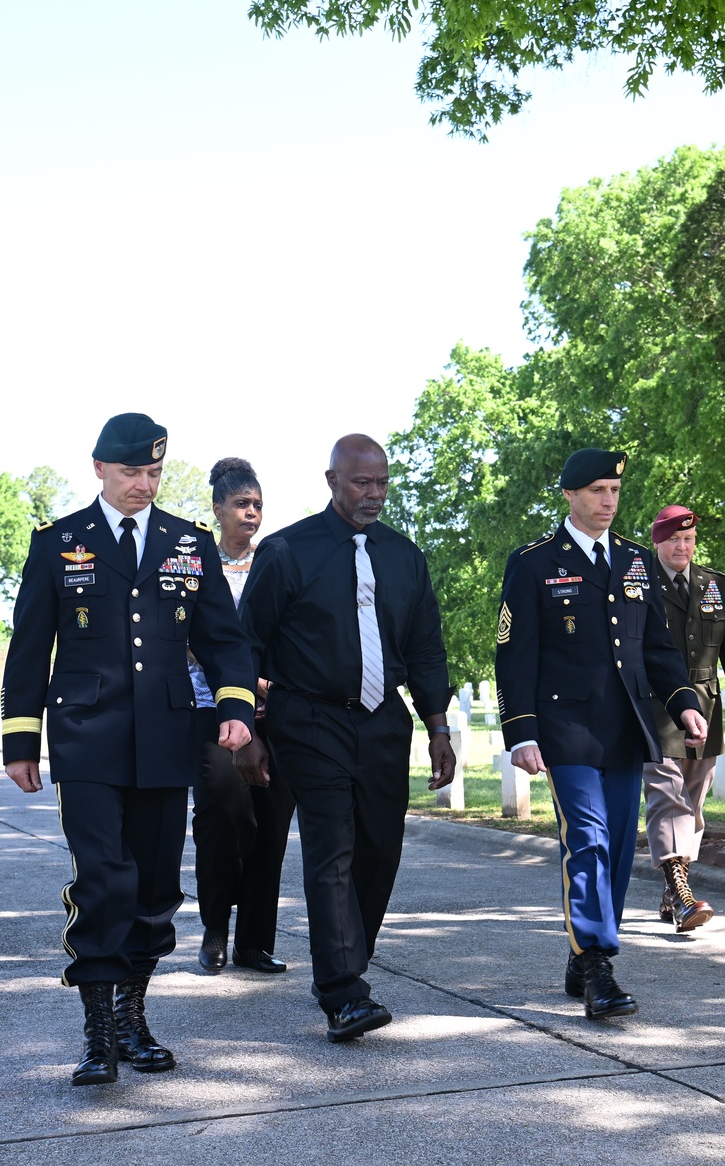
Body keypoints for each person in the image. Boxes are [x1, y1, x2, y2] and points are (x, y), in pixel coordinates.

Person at [1, 413, 256, 1086]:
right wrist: (21, 738)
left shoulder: (187, 542)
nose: (144, 484)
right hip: (87, 741)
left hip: (167, 739)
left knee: (152, 886)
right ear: (98, 469)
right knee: (103, 880)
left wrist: (235, 707)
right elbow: (30, 648)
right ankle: (98, 1030)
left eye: (153, 472)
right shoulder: (59, 543)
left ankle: (132, 1015)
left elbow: (225, 638)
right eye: (131, 472)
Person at [236, 434, 456, 1043]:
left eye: (383, 483)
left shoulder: (405, 557)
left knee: (380, 848)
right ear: (331, 481)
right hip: (307, 719)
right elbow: (246, 642)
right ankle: (344, 991)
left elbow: (425, 650)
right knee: (331, 847)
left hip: (383, 721)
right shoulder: (286, 552)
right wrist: (250, 728)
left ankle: (346, 963)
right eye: (362, 483)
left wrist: (437, 726)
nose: (374, 495)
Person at [495, 447, 707, 1020]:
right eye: (596, 491)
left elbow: (657, 649)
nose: (608, 501)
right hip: (565, 730)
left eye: (614, 492)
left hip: (624, 728)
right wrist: (521, 731)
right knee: (585, 838)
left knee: (614, 847)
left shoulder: (637, 562)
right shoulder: (534, 561)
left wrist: (683, 702)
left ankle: (583, 947)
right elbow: (514, 655)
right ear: (570, 495)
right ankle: (596, 964)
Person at [189, 458, 295, 976]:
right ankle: (215, 930)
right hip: (209, 707)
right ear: (217, 509)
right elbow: (190, 639)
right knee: (222, 814)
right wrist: (236, 674)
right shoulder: (195, 563)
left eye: (257, 505)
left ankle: (255, 941)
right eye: (241, 504)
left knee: (272, 822)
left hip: (275, 709)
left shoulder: (275, 561)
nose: (251, 513)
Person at [644, 504, 725, 932]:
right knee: (666, 795)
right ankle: (682, 895)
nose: (682, 546)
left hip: (705, 708)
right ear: (657, 541)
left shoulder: (716, 584)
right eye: (673, 539)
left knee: (692, 804)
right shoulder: (637, 582)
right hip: (653, 708)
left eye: (689, 539)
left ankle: (673, 890)